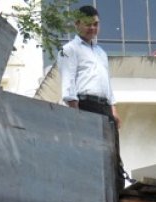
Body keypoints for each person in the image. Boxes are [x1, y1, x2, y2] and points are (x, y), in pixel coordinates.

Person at [58, 4, 130, 189]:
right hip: (85, 106)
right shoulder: (69, 49)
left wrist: (114, 110)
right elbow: (68, 84)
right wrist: (76, 114)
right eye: (88, 24)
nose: (93, 28)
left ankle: (117, 195)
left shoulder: (101, 53)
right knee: (90, 153)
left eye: (96, 24)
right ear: (77, 24)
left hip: (105, 107)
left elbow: (107, 84)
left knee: (112, 156)